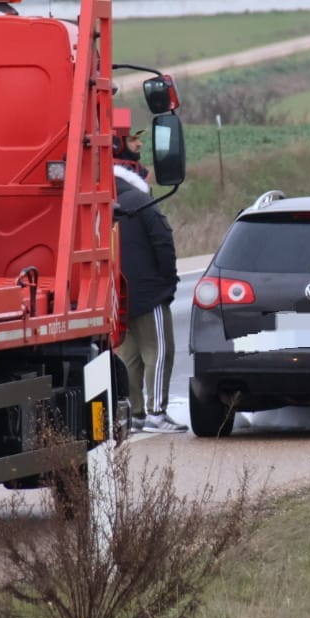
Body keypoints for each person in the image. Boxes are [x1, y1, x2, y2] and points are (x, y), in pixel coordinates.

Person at [112, 133, 185, 433]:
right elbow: (162, 243)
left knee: (129, 357)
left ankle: (136, 414)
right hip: (149, 293)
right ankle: (156, 412)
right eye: (134, 140)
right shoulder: (142, 202)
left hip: (119, 297)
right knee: (160, 352)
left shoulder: (106, 203)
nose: (140, 145)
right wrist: (167, 281)